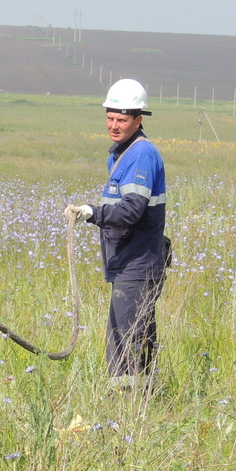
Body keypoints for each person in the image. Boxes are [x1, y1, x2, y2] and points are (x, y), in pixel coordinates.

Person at [65, 78, 168, 390]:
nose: (114, 125)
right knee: (138, 339)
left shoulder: (141, 154)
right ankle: (145, 406)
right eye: (110, 118)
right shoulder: (121, 154)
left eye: (122, 119)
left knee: (124, 343)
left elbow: (133, 209)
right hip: (129, 263)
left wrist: (92, 213)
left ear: (138, 120)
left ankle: (125, 411)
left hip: (138, 265)